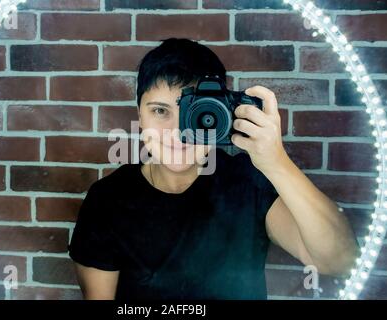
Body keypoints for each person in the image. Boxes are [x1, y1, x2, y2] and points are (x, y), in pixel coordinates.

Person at [68, 38, 359, 300]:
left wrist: (276, 162)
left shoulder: (249, 182)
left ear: (219, 114)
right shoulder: (107, 200)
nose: (177, 131)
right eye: (160, 111)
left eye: (194, 114)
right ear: (139, 116)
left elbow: (341, 260)